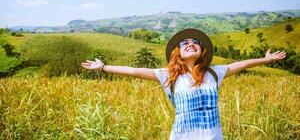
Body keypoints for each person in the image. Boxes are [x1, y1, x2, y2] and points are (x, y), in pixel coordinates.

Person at [81, 28, 286, 140]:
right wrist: (103, 67)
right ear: (177, 52)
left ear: (201, 51)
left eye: (195, 42)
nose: (191, 44)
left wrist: (266, 60)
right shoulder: (168, 75)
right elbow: (134, 71)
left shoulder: (215, 73)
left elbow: (241, 64)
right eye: (185, 42)